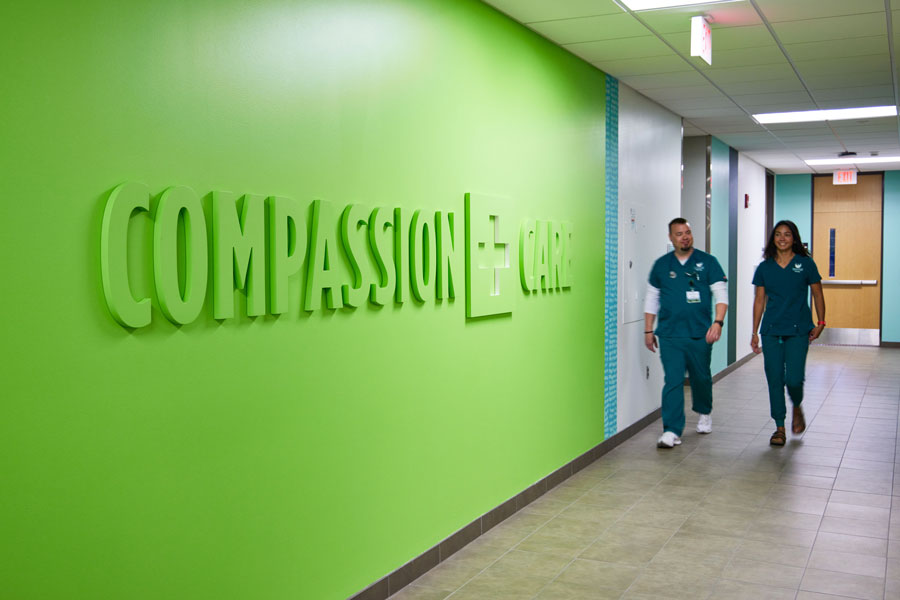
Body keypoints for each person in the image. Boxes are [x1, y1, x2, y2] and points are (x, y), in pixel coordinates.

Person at [645, 218, 729, 448]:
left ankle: (704, 411)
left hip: (699, 334)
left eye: (688, 232)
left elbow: (721, 295)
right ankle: (671, 430)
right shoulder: (662, 265)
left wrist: (718, 322)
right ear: (671, 238)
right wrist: (648, 329)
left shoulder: (708, 262)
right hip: (670, 334)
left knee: (700, 378)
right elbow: (652, 298)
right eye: (679, 233)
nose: (685, 237)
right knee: (673, 380)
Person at [751, 220, 826, 446]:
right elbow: (759, 300)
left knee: (793, 379)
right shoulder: (765, 268)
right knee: (774, 378)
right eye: (778, 235)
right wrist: (754, 331)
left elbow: (817, 293)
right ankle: (779, 427)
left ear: (794, 238)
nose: (782, 238)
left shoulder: (805, 264)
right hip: (771, 330)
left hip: (798, 329)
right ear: (773, 239)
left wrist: (821, 321)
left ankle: (797, 405)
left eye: (787, 234)